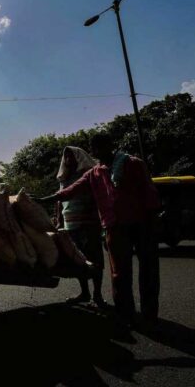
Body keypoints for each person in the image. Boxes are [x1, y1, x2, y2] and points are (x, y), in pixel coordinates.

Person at [38, 133, 161, 328]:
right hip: (114, 226)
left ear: (111, 145)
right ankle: (125, 313)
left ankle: (150, 314)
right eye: (94, 148)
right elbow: (70, 191)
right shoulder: (95, 173)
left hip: (141, 224)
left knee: (148, 270)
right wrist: (42, 200)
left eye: (99, 147)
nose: (96, 151)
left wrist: (153, 222)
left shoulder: (133, 163)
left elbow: (149, 192)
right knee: (119, 273)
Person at [55, 146, 107, 308]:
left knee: (95, 259)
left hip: (88, 223)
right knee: (79, 260)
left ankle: (97, 294)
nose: (68, 160)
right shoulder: (64, 179)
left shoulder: (87, 175)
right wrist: (59, 220)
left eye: (71, 156)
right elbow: (60, 200)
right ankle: (84, 292)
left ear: (79, 157)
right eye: (66, 157)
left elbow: (97, 197)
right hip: (70, 224)